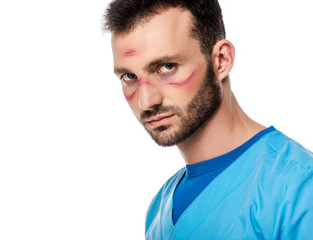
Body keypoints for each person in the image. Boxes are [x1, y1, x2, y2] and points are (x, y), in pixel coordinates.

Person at [103, 0, 313, 239]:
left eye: (167, 67)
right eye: (129, 76)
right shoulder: (159, 208)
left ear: (221, 61)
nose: (146, 101)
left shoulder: (298, 189)